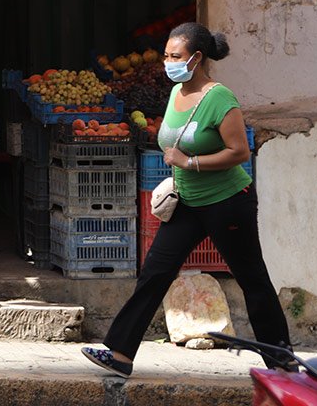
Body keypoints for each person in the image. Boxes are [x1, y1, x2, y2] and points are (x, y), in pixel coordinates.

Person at [82, 22, 292, 377]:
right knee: (155, 273)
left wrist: (189, 162)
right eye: (165, 55)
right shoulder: (176, 92)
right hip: (188, 204)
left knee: (251, 278)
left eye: (174, 56)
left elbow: (240, 151)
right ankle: (120, 354)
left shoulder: (219, 97)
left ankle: (283, 362)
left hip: (228, 201)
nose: (167, 62)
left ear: (196, 58)